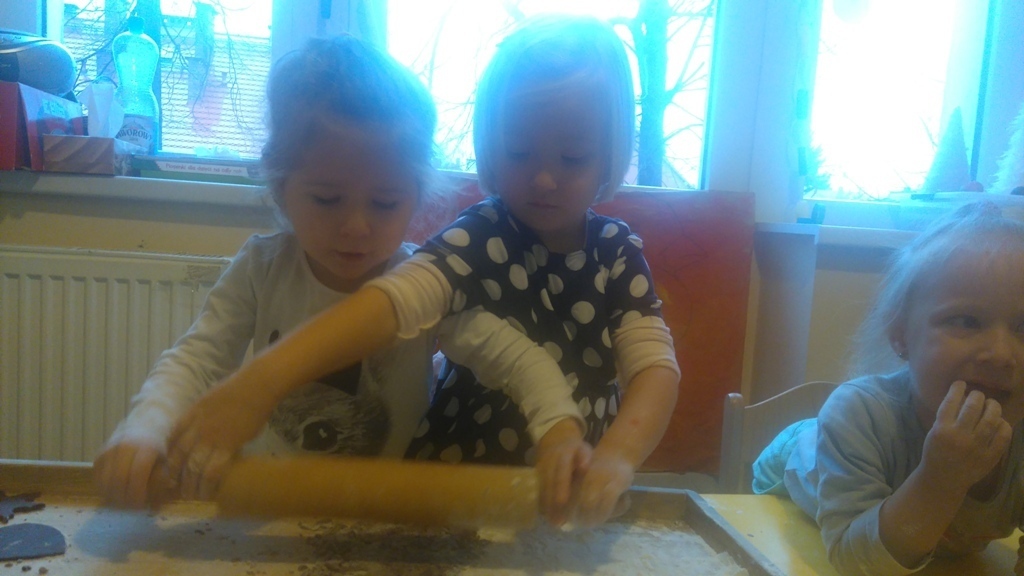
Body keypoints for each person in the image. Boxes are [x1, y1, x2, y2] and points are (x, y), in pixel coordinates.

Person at [166, 14, 681, 527]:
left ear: (609, 156)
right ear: (491, 147)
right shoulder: (478, 236)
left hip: (569, 493)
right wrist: (258, 385)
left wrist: (618, 456)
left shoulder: (617, 251)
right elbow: (393, 302)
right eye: (519, 152)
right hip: (454, 482)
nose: (545, 178)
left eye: (573, 157)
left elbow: (655, 368)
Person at [94, 34, 583, 510]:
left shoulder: (421, 284)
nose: (356, 227)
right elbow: (198, 359)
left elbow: (514, 357)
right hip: (266, 505)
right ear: (280, 186)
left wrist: (559, 429)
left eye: (385, 203)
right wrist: (145, 428)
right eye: (327, 199)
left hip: (380, 514)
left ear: (415, 198)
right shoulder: (262, 268)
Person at [752, 202, 1024, 576]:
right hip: (796, 469)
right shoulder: (859, 416)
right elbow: (856, 561)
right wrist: (942, 478)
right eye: (966, 321)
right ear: (900, 335)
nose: (1001, 354)